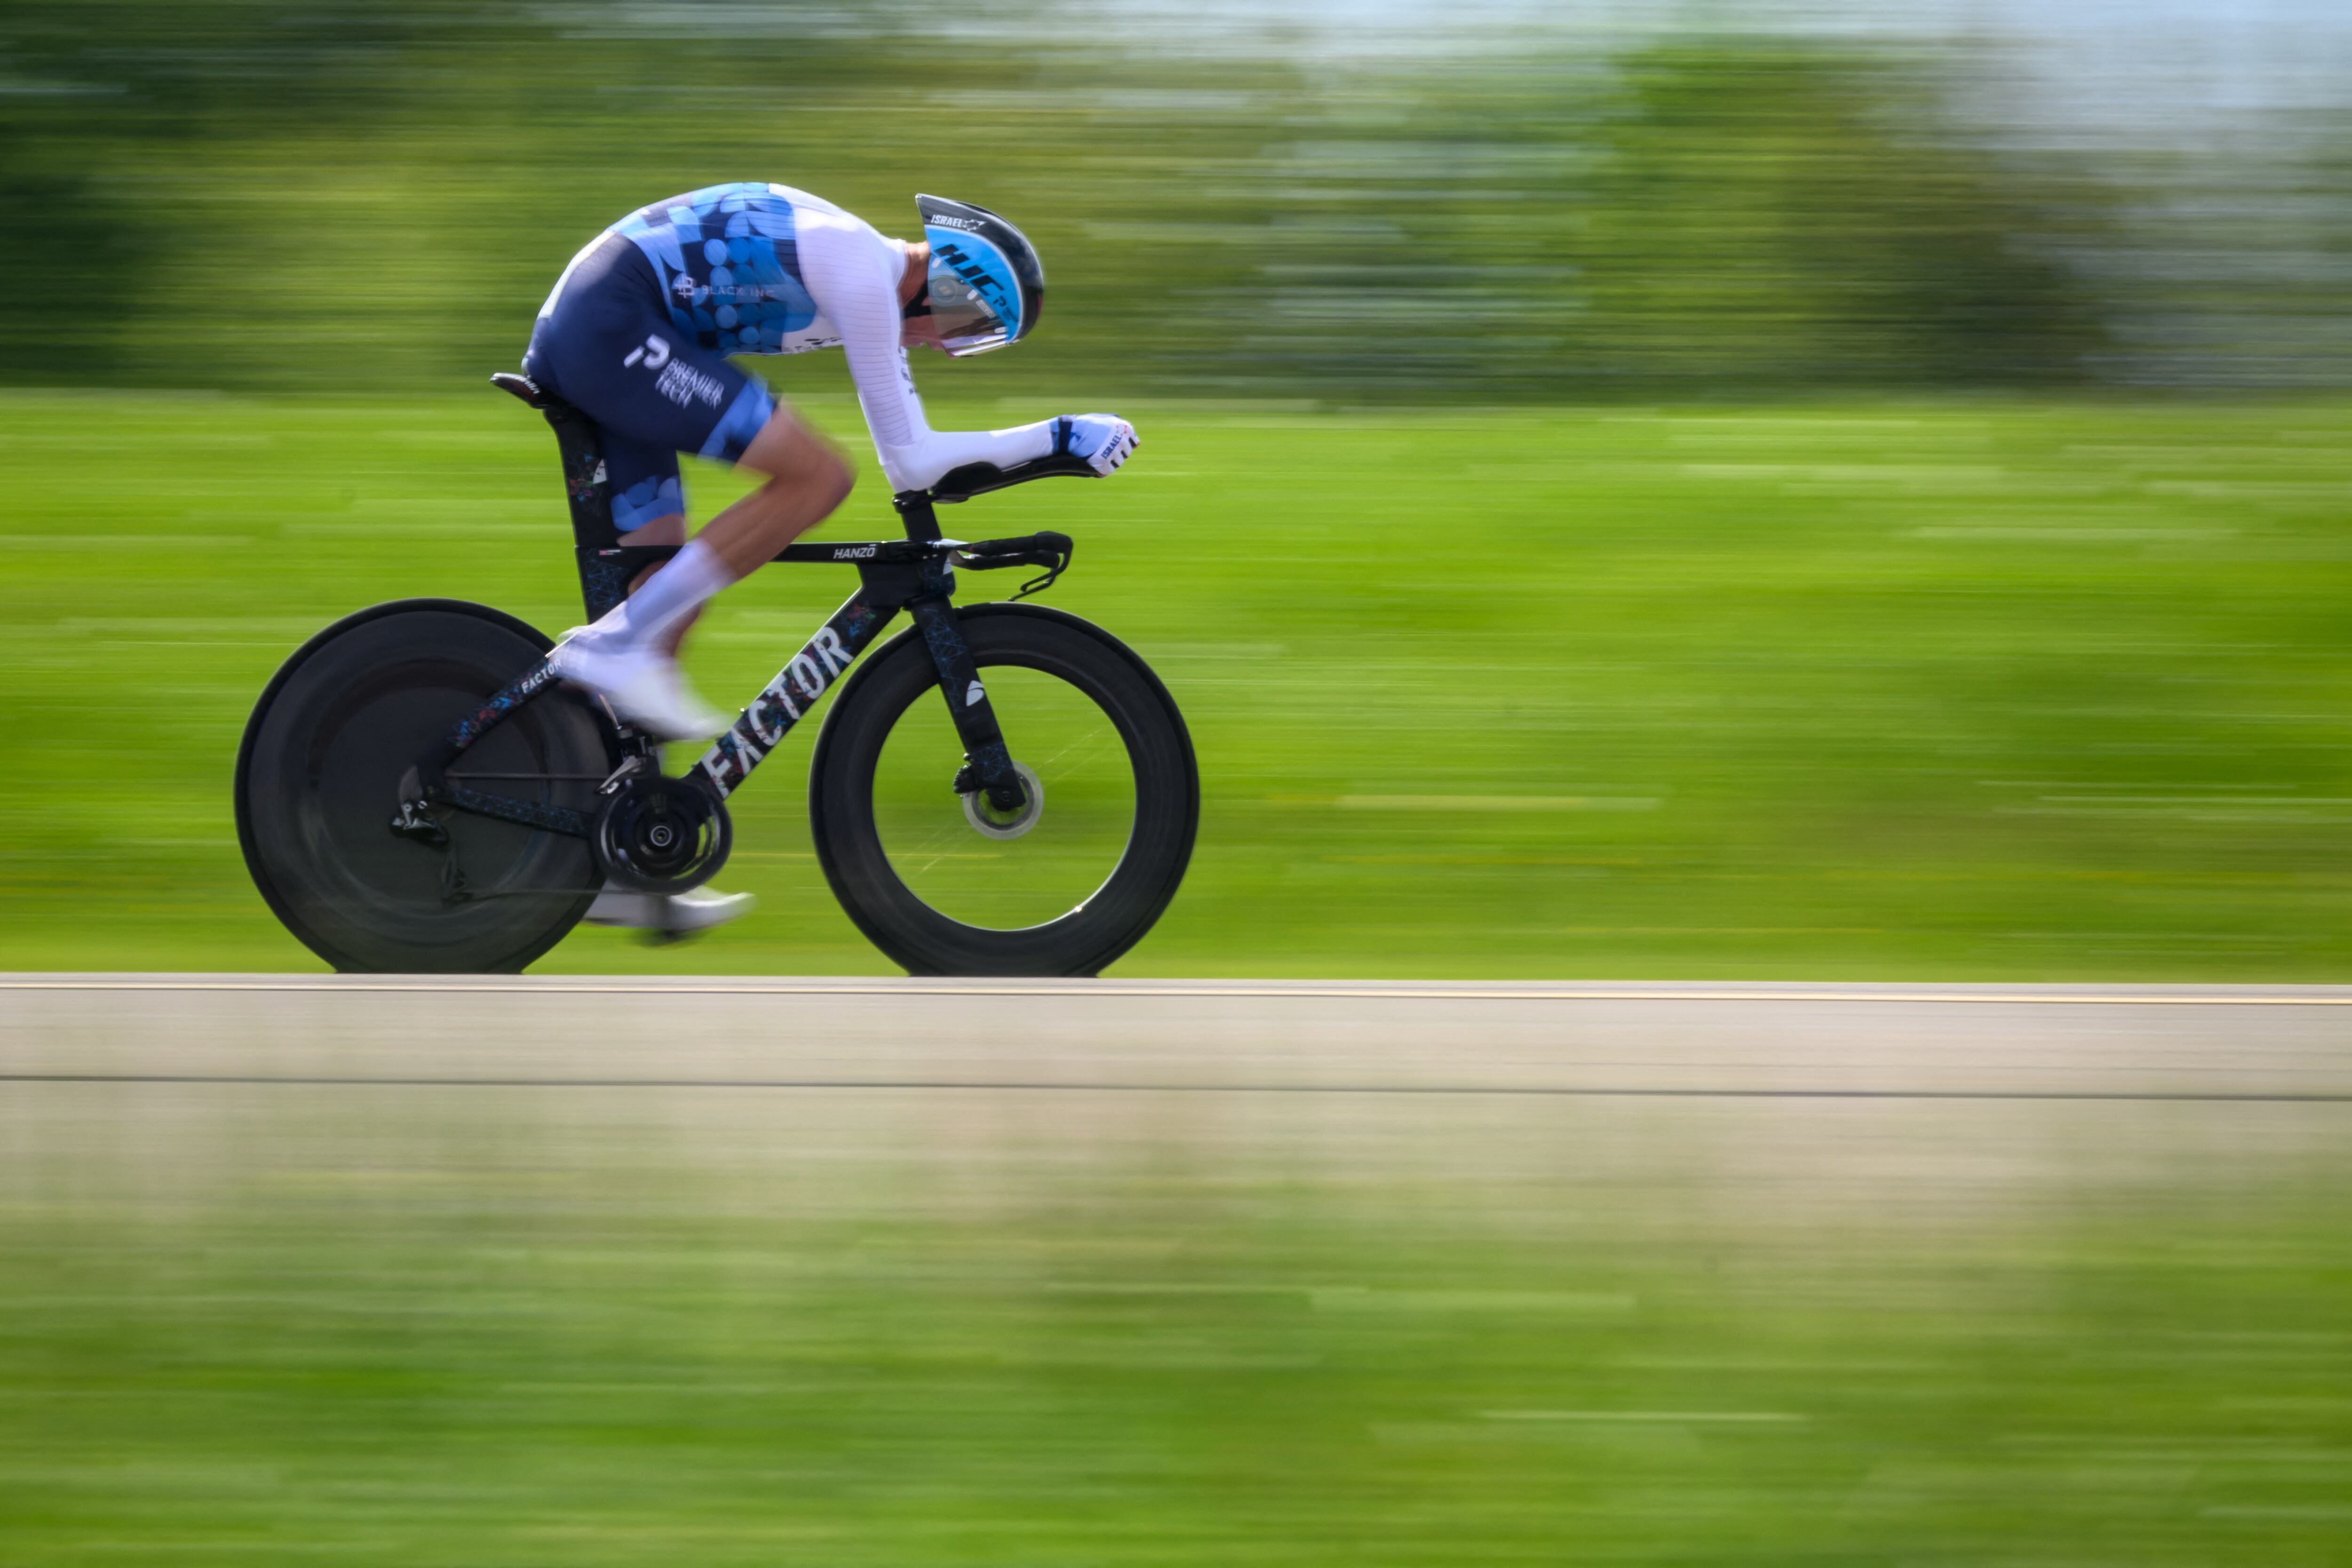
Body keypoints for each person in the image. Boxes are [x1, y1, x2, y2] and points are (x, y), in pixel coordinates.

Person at [519, 183, 1138, 935]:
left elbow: (922, 458)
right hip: (611, 319)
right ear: (948, 278)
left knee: (670, 589)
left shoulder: (865, 278)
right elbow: (911, 464)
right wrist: (1061, 435)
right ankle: (615, 642)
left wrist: (1045, 451)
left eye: (978, 342)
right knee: (819, 476)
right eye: (971, 325)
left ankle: (611, 860)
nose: (950, 346)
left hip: (619, 326)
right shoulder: (862, 271)